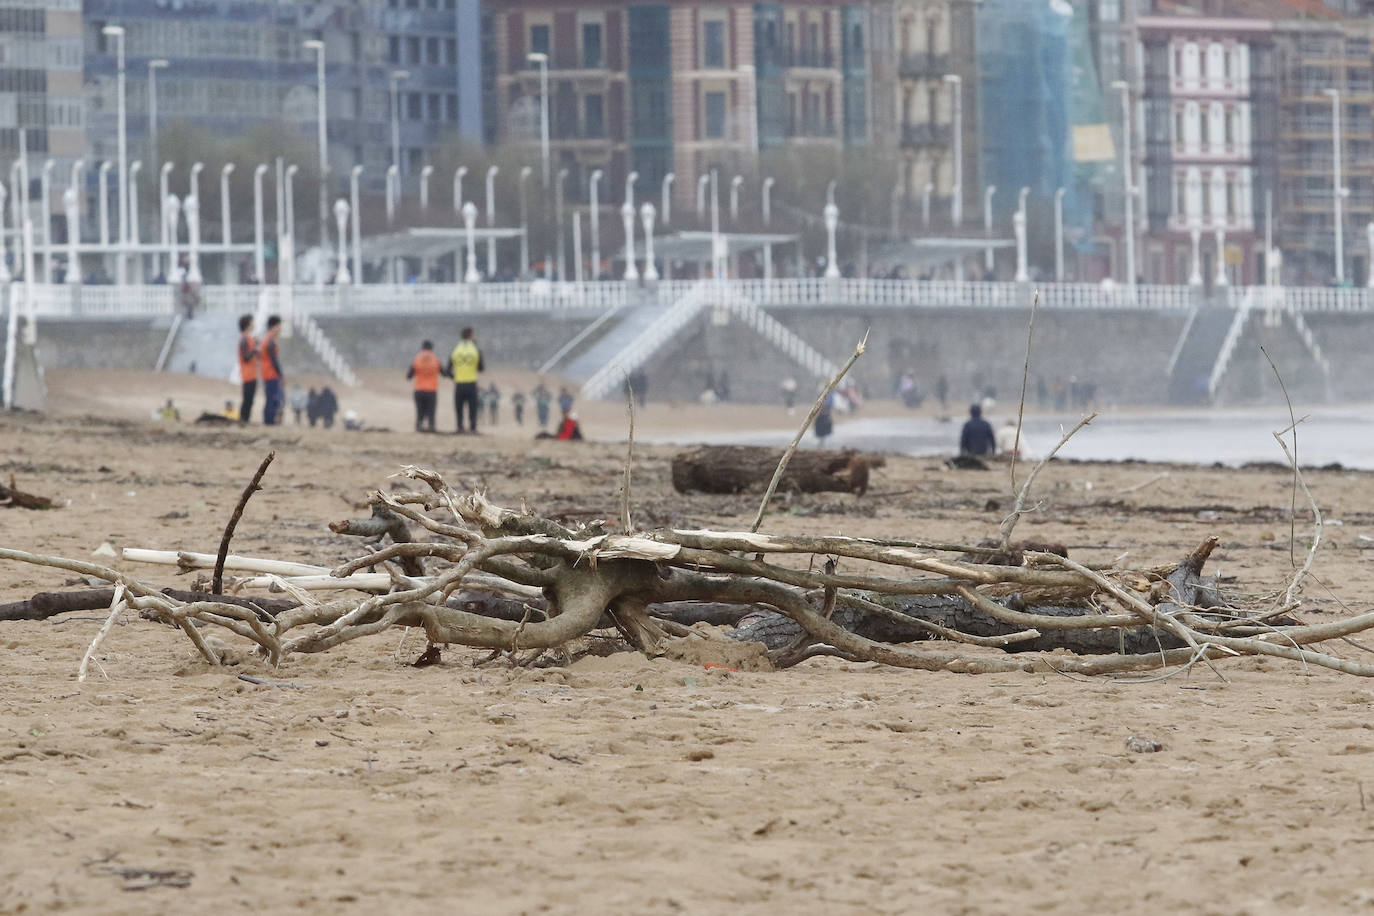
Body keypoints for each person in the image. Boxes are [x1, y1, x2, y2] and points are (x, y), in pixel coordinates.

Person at [446, 327, 483, 433]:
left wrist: (455, 377)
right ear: (471, 336)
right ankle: (472, 427)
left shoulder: (456, 349)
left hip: (459, 383)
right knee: (472, 407)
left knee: (459, 407)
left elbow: (448, 370)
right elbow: (481, 368)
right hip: (471, 382)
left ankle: (460, 427)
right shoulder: (476, 349)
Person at [407, 340, 441, 432]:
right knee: (431, 412)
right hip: (431, 390)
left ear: (422, 348)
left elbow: (409, 376)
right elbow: (444, 372)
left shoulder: (417, 358)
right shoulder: (435, 358)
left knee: (420, 412)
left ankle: (419, 426)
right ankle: (431, 426)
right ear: (432, 348)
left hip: (419, 389)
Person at [260, 315, 284, 425]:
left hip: (267, 373)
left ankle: (269, 421)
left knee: (271, 398)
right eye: (279, 326)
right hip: (271, 374)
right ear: (273, 326)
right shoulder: (270, 341)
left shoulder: (267, 339)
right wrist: (280, 375)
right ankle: (269, 422)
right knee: (272, 399)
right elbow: (274, 360)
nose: (280, 329)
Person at [236, 314, 259, 424]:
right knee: (247, 399)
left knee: (250, 399)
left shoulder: (249, 339)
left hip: (252, 373)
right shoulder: (244, 339)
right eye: (252, 322)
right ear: (248, 325)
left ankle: (245, 419)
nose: (254, 325)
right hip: (247, 374)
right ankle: (243, 419)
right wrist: (254, 349)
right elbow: (246, 357)